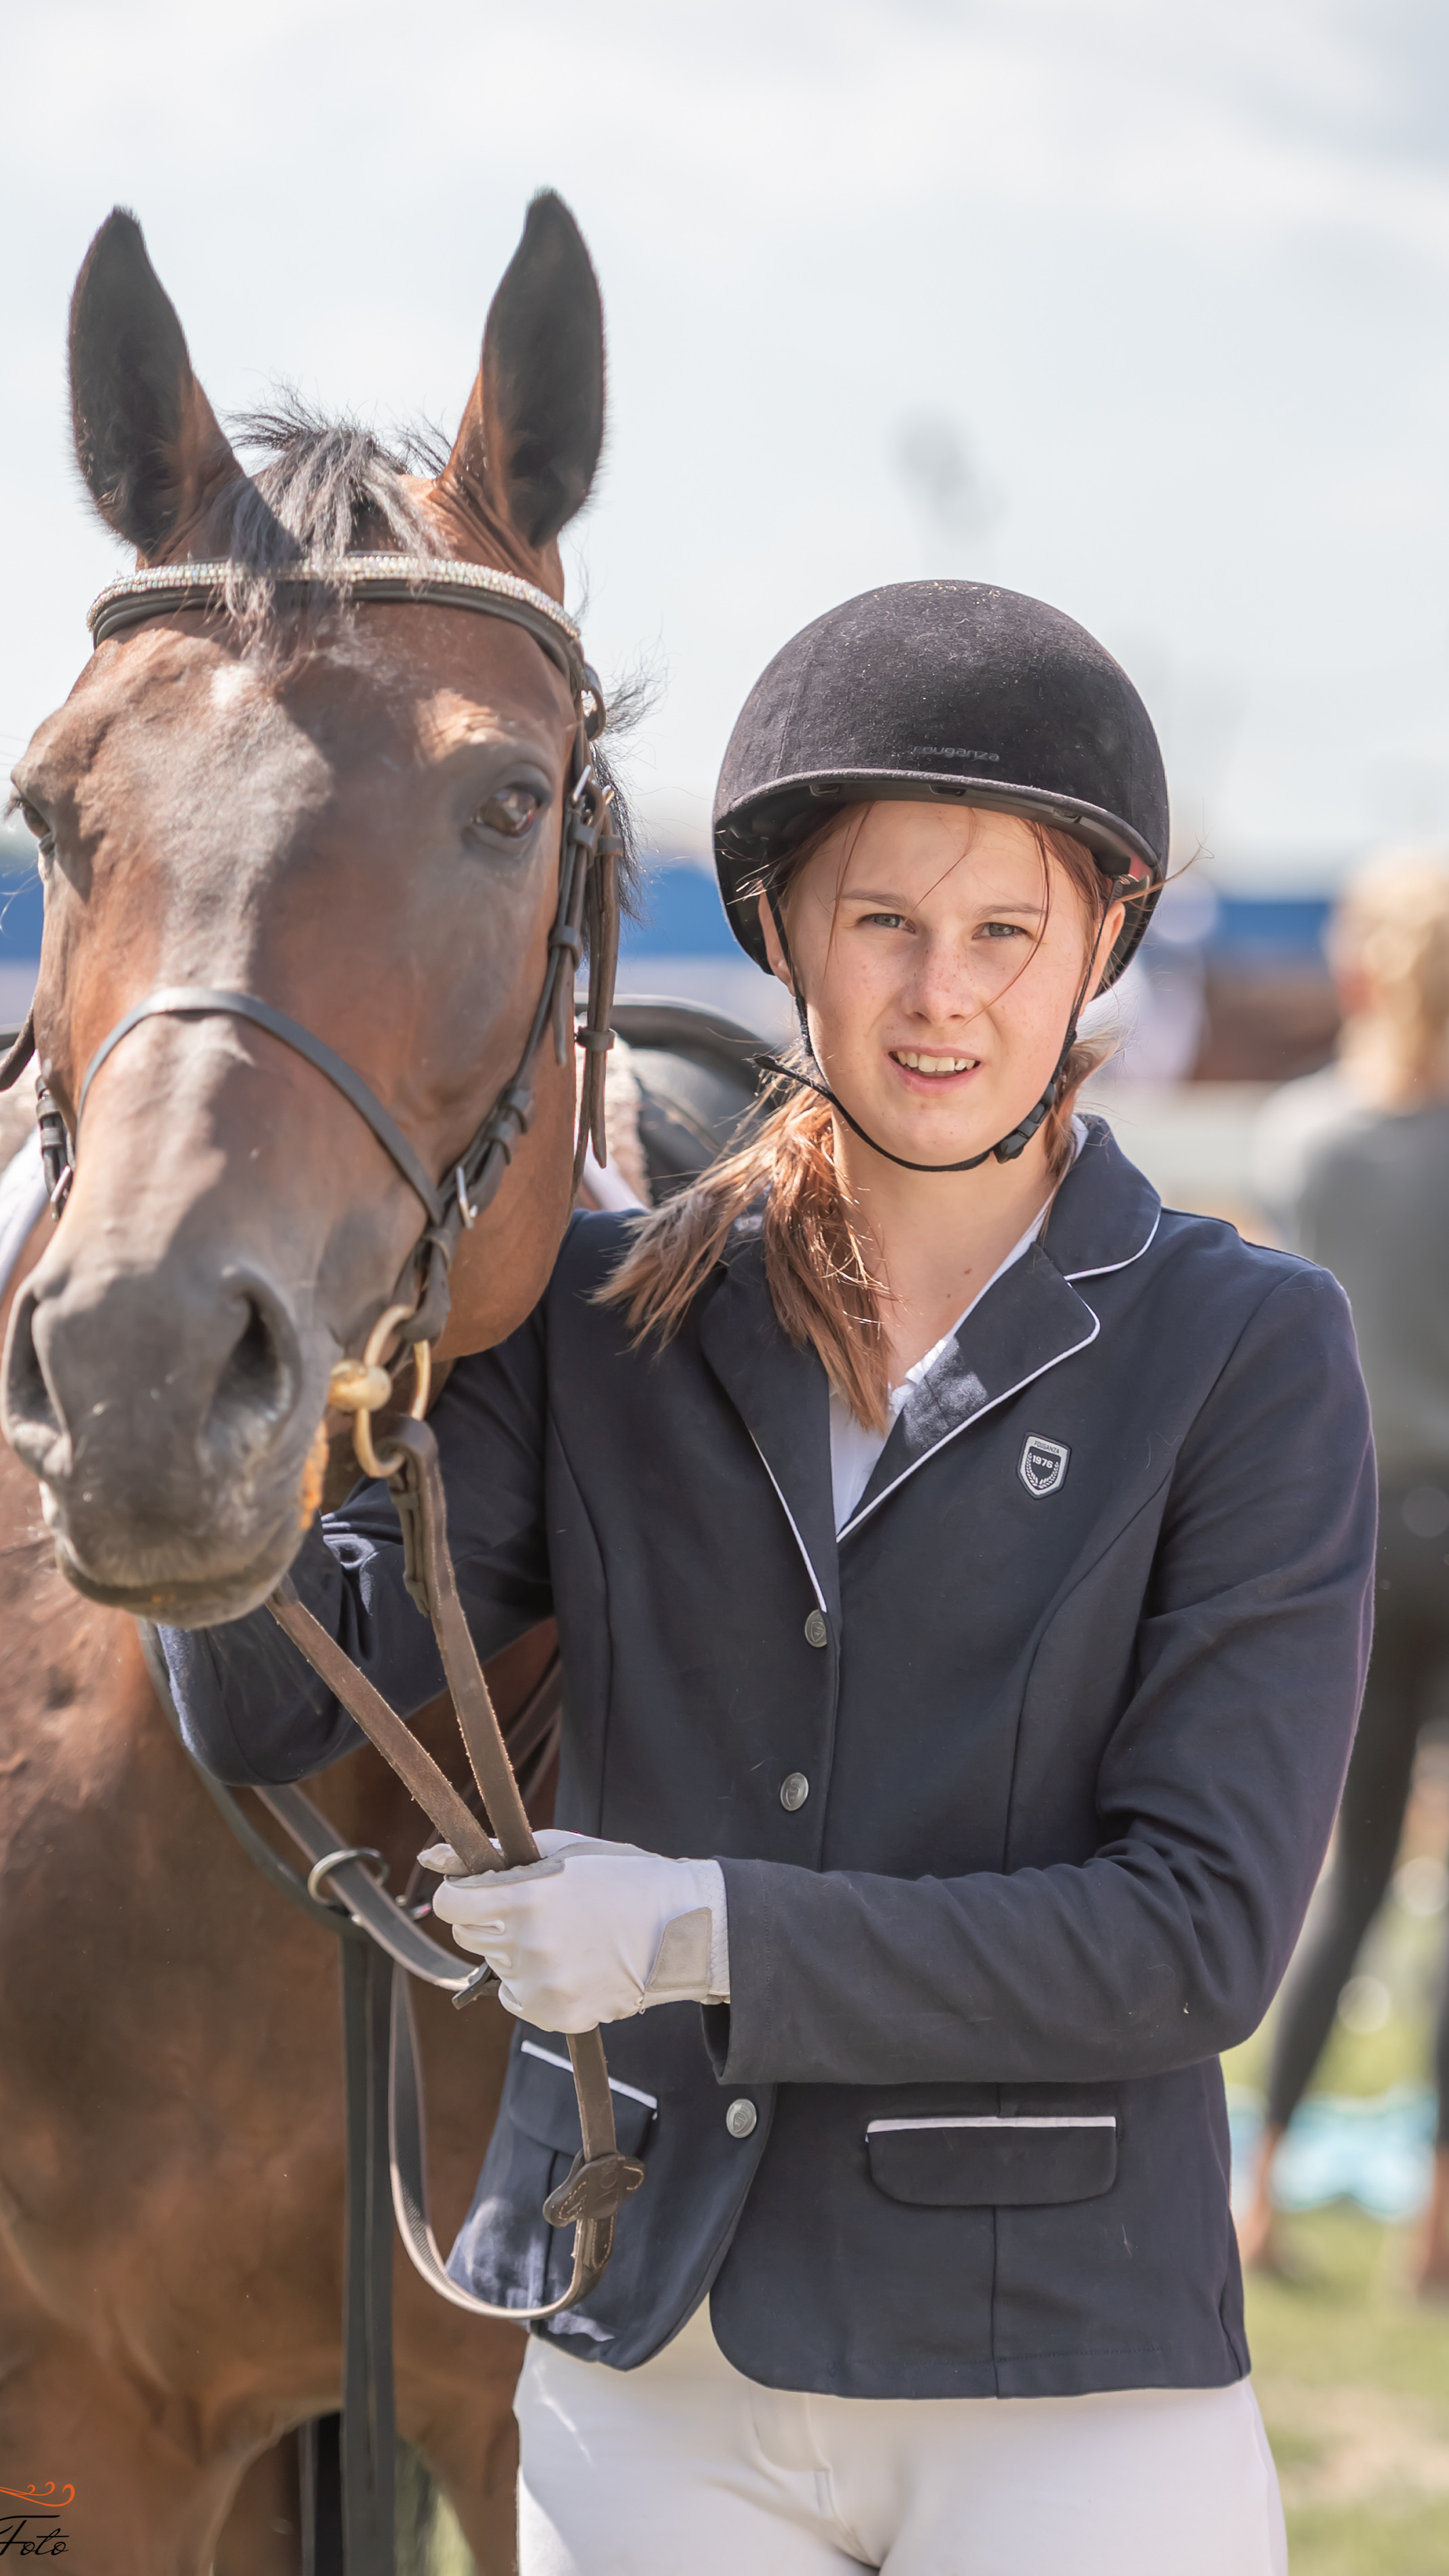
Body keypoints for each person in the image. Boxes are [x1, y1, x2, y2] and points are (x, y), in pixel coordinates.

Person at [163, 582, 1375, 2575]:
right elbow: (276, 1696)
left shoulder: (1241, 1352)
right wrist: (219, 1360)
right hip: (644, 2375)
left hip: (1063, 2377)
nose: (940, 998)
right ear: (783, 937)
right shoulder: (585, 1316)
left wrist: (698, 1929)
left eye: (1004, 935)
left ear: (1098, 945)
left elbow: (1189, 1941)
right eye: (882, 925)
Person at [1242, 850, 1449, 2289]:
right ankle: (1437, 2230)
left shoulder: (1299, 1139)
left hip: (1359, 1542)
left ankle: (1254, 2199)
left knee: (1350, 1882)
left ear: (1362, 967)